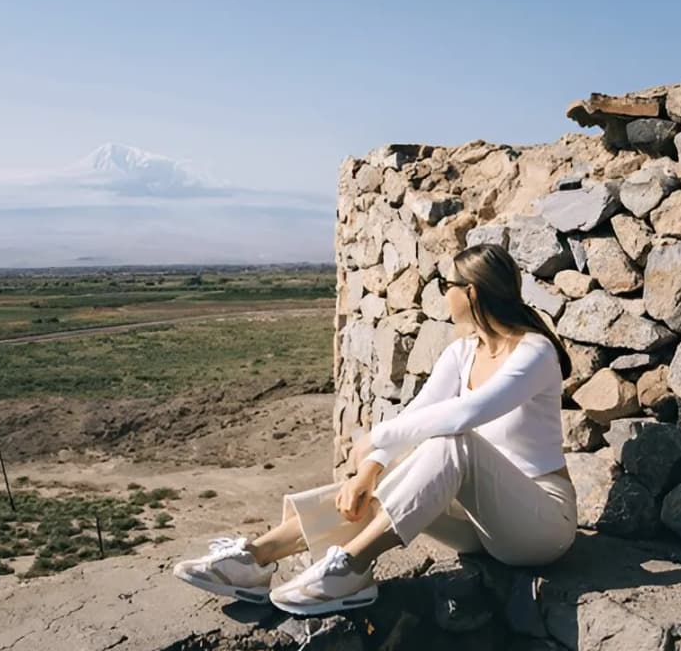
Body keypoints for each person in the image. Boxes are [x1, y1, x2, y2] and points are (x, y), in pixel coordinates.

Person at [173, 243, 578, 615]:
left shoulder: (535, 351)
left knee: (452, 442)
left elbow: (469, 413)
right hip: (481, 526)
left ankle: (351, 567)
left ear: (470, 292)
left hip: (540, 525)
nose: (443, 294)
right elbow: (416, 414)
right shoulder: (463, 352)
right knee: (387, 482)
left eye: (447, 286)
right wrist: (370, 469)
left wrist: (375, 440)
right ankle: (255, 558)